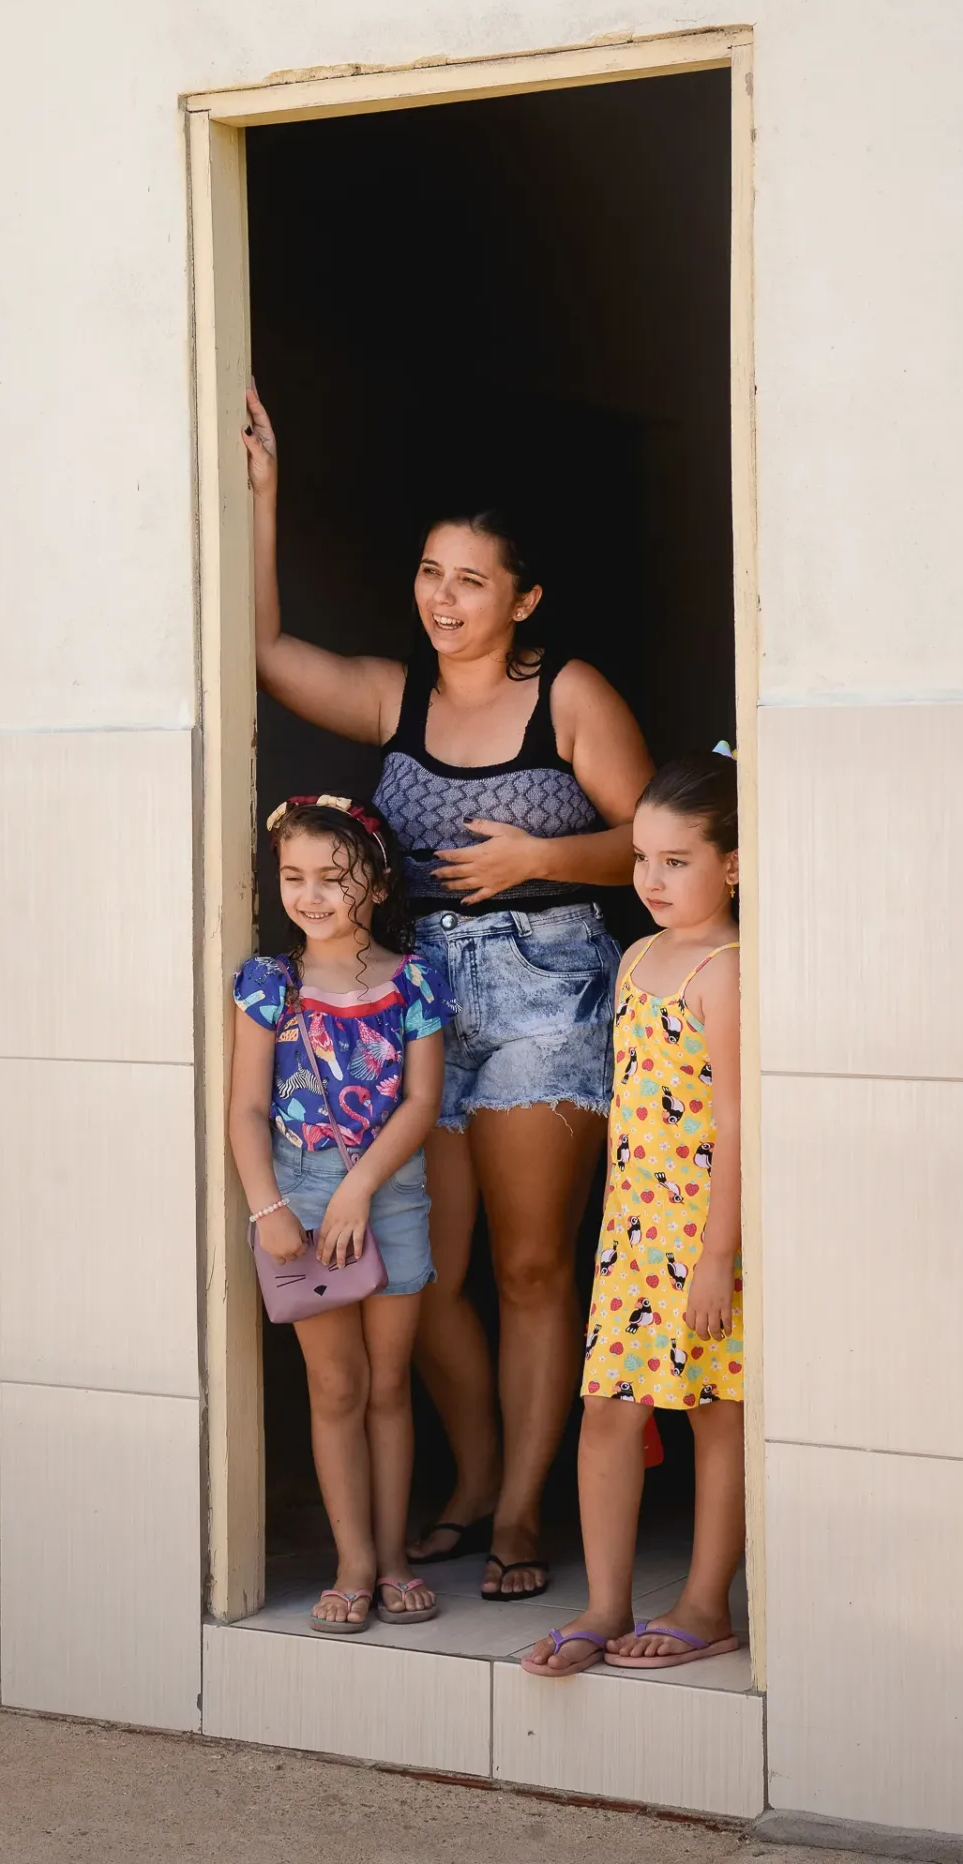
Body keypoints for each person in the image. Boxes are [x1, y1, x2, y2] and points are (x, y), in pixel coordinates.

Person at [242, 387, 653, 1599]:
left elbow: (652, 840)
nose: (442, 597)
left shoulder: (565, 694)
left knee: (529, 1269)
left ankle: (521, 1510)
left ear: (521, 599)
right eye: (430, 573)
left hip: (546, 987)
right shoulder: (394, 698)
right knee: (428, 1270)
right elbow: (265, 656)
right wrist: (265, 502)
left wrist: (534, 857)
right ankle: (475, 1474)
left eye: (470, 580)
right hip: (423, 1004)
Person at [522, 752, 744, 1674]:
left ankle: (704, 1603)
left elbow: (737, 1125)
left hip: (704, 1241)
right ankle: (606, 1602)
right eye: (643, 858)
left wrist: (717, 1257)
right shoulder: (638, 956)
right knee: (608, 1408)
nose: (650, 879)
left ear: (733, 864)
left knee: (714, 1413)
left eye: (677, 861)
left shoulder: (729, 972)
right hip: (632, 1238)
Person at [228, 795, 456, 1633]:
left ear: (377, 879)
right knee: (336, 1385)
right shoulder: (268, 983)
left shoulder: (415, 979)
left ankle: (394, 1558)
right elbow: (248, 1110)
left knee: (390, 1384)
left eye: (333, 876)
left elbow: (422, 1100)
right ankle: (353, 1561)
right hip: (299, 1191)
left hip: (388, 1192)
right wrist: (269, 1208)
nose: (312, 894)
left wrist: (360, 1189)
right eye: (294, 877)